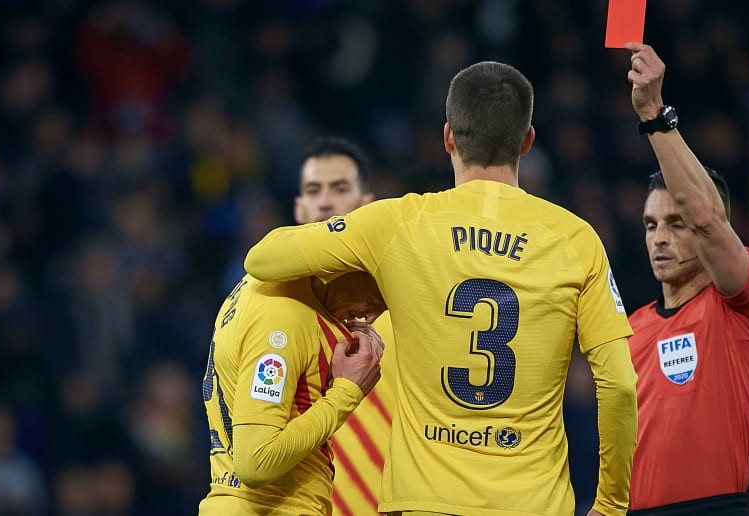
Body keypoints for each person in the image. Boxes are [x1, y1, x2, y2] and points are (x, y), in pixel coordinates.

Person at [244, 61, 638, 516]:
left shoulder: (398, 223)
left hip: (424, 500)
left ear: (449, 137)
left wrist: (362, 278)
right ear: (527, 141)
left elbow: (263, 258)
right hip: (533, 503)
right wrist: (610, 504)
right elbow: (620, 385)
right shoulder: (576, 240)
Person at [623, 43, 749, 514]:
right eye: (651, 225)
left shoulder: (745, 304)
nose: (660, 239)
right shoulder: (630, 329)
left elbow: (708, 219)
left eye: (676, 224)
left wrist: (654, 114)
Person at [197, 270, 386, 515]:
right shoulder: (283, 318)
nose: (372, 313)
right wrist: (347, 392)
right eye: (375, 294)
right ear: (344, 259)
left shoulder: (262, 283)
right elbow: (257, 460)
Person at [294, 137, 398, 515]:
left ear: (366, 205)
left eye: (339, 189)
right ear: (299, 207)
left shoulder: (401, 303)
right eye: (313, 190)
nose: (325, 202)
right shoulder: (273, 307)